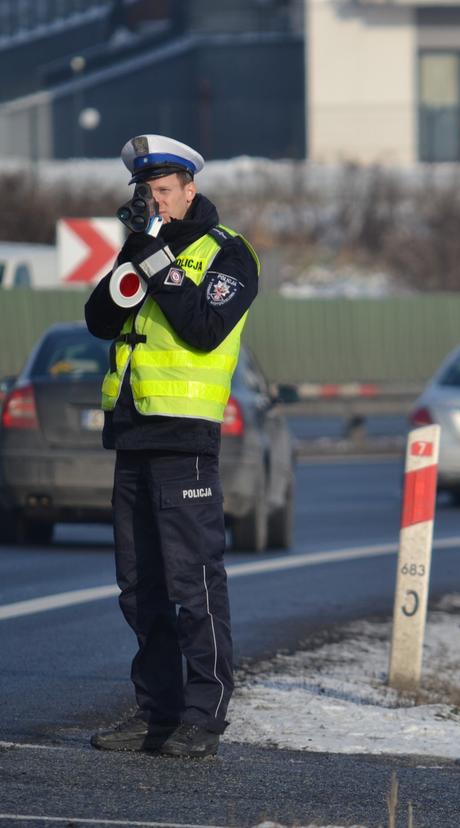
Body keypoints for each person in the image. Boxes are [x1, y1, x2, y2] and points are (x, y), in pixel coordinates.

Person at [85, 134, 259, 758]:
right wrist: (135, 255)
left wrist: (155, 258)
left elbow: (205, 329)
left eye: (163, 192)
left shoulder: (228, 253)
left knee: (193, 580)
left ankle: (203, 714)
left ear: (190, 190)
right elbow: (99, 320)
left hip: (185, 435)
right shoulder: (143, 247)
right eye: (145, 193)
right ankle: (156, 710)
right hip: (132, 431)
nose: (153, 202)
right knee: (139, 585)